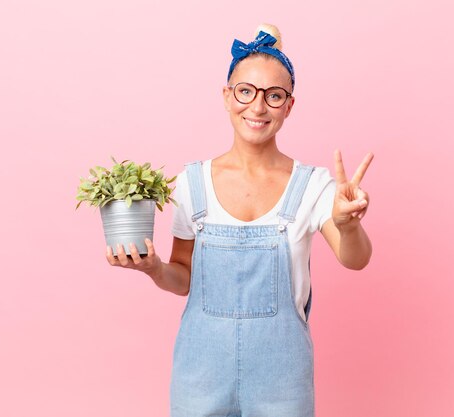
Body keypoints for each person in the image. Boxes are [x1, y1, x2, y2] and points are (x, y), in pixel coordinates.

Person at [106, 23, 373, 417]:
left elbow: (356, 259)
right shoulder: (190, 184)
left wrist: (348, 225)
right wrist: (155, 268)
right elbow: (183, 277)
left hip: (282, 380)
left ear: (289, 105)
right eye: (246, 92)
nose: (258, 107)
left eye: (274, 96)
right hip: (200, 376)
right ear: (227, 96)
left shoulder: (313, 185)